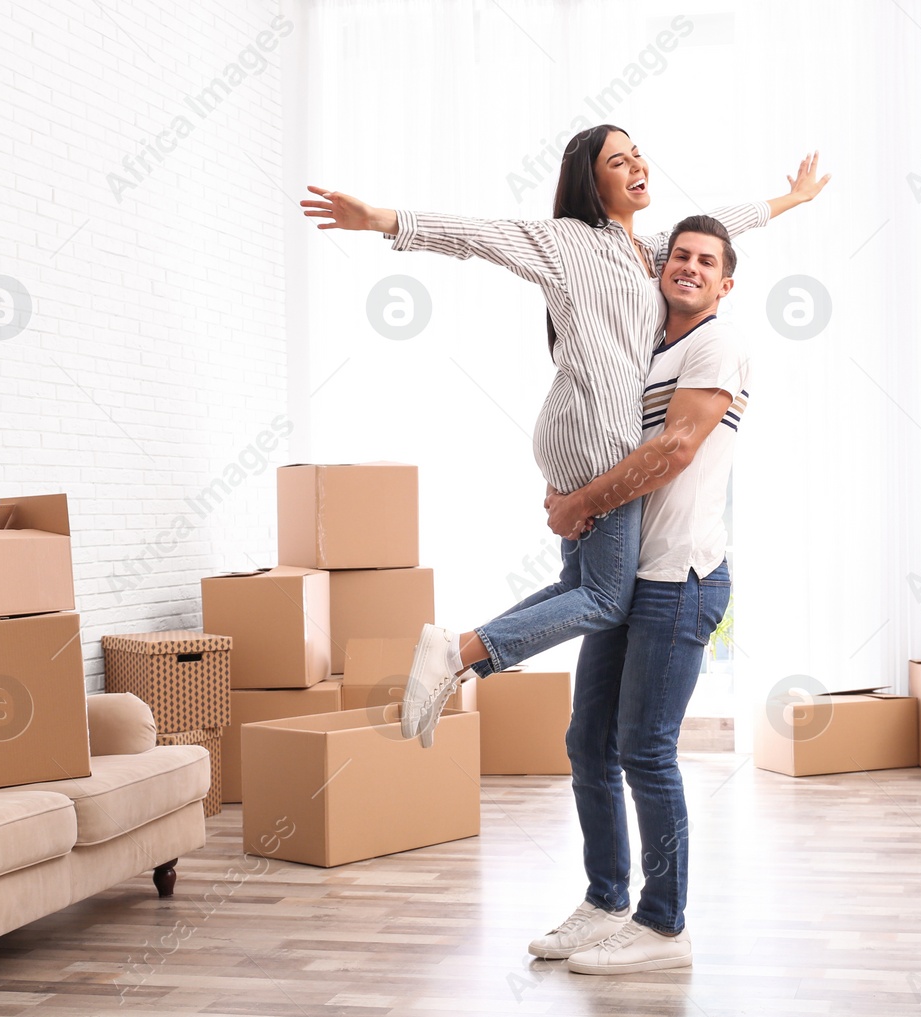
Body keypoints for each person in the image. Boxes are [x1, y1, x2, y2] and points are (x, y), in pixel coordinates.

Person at [301, 129, 828, 745]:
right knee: (606, 600)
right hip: (596, 431)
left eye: (638, 155)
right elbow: (479, 236)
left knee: (582, 590)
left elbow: (719, 229)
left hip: (584, 431)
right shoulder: (566, 241)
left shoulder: (651, 252)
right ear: (591, 179)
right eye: (617, 160)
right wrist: (383, 220)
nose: (636, 165)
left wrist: (792, 200)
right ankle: (460, 653)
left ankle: (452, 652)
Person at [530, 215, 749, 974]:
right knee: (588, 742)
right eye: (680, 255)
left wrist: (580, 499)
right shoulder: (651, 350)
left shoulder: (716, 344)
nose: (689, 266)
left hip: (678, 578)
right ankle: (604, 899)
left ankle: (663, 924)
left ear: (726, 282)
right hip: (622, 575)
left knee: (647, 752)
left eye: (706, 261)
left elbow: (674, 449)